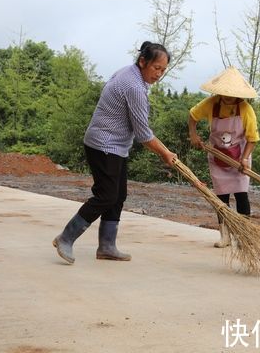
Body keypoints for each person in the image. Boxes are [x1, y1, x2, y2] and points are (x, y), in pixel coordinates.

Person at [53, 41, 177, 264]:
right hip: (104, 145)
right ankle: (66, 238)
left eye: (163, 70)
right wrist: (166, 153)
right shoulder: (134, 87)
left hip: (116, 146)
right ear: (142, 61)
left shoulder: (130, 74)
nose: (159, 74)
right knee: (106, 196)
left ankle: (107, 247)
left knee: (118, 196)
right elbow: (143, 134)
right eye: (156, 68)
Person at [188, 66, 259, 248]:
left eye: (231, 93)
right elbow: (192, 115)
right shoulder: (211, 103)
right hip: (218, 156)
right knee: (221, 199)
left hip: (239, 157)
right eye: (224, 92)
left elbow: (252, 139)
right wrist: (193, 135)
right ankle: (224, 236)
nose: (227, 96)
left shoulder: (245, 109)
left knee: (242, 195)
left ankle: (245, 237)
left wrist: (244, 159)